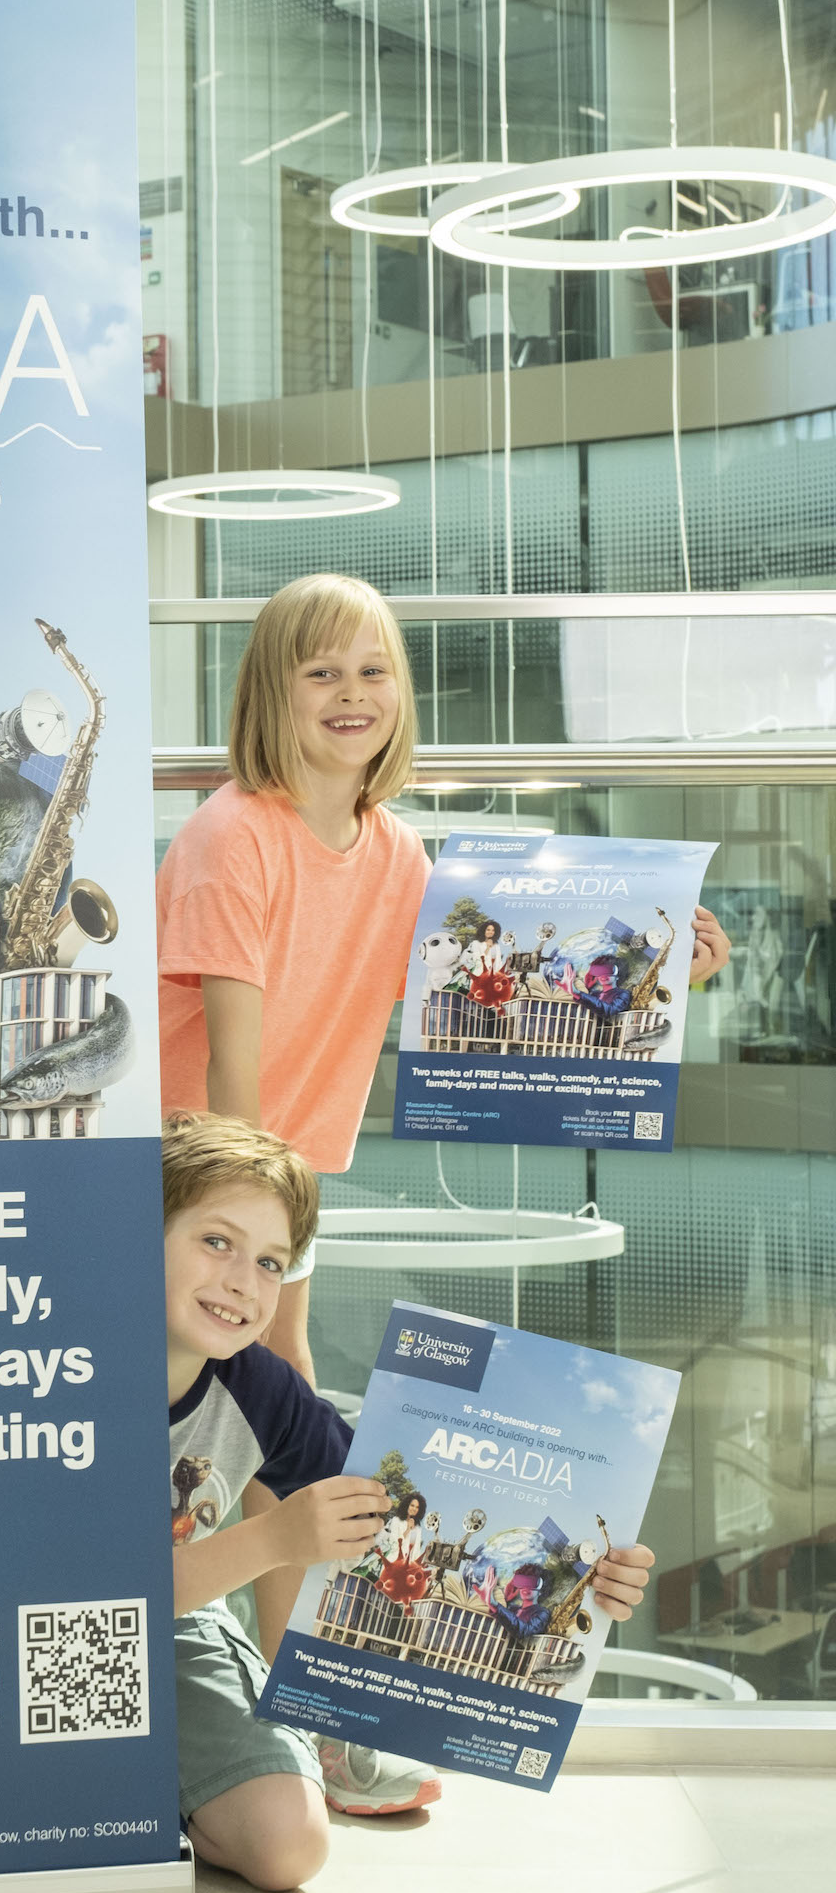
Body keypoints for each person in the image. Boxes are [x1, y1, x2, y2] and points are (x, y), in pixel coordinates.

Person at [156, 576, 731, 1383]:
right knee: (189, 1376)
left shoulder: (396, 852)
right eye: (321, 672)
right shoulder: (233, 837)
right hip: (195, 1167)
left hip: (286, 1164)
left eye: (373, 671)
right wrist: (252, 1208)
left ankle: (300, 1515)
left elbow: (479, 989)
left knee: (282, 1363)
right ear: (271, 692)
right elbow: (230, 1062)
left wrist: (665, 971)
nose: (352, 694)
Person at [159, 1117, 658, 1884]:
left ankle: (177, 1785)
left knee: (290, 1848)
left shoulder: (259, 1387)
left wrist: (587, 1572)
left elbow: (410, 1507)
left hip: (172, 1637)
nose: (241, 1282)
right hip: (22, 1637)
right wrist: (272, 1540)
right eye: (216, 1242)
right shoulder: (59, 1365)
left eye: (270, 1262)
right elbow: (88, 1589)